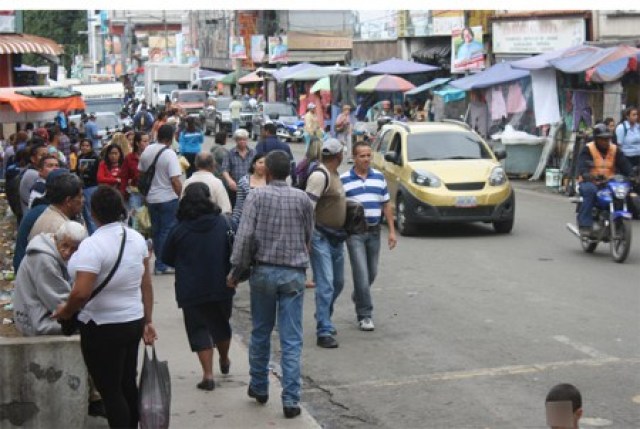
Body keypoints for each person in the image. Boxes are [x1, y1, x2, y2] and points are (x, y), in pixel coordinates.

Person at [53, 185, 157, 429]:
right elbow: (146, 283)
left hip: (102, 327)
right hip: (132, 321)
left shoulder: (93, 245)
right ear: (121, 209)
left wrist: (65, 312)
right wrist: (148, 320)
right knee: (127, 384)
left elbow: (80, 293)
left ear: (93, 213)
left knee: (111, 392)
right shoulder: (137, 238)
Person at [228, 150, 314, 419]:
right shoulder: (302, 199)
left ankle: (259, 386)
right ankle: (290, 400)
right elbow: (308, 236)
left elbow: (244, 238)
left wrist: (235, 271)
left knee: (261, 331)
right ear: (288, 172)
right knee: (291, 339)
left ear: (267, 172)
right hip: (293, 274)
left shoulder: (256, 196)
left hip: (263, 272)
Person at [163, 183, 234, 391]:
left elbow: (167, 257)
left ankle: (208, 375)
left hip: (191, 287)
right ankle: (224, 358)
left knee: (199, 329)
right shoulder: (223, 223)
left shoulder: (179, 229)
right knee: (221, 325)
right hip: (221, 284)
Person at [340, 142, 397, 331]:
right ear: (354, 158)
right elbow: (339, 208)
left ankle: (359, 294)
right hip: (355, 233)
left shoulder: (379, 178)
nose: (366, 159)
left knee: (372, 272)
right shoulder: (344, 179)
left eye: (368, 155)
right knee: (361, 273)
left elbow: (386, 205)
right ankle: (365, 315)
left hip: (374, 232)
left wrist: (391, 231)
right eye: (362, 156)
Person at [305, 138, 347, 349]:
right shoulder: (319, 176)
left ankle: (324, 316)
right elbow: (307, 209)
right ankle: (323, 329)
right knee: (326, 283)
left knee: (338, 282)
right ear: (338, 156)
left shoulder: (334, 174)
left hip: (336, 236)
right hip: (320, 236)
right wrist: (307, 239)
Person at [13, 221, 87, 336]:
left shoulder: (51, 250)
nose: (67, 252)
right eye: (65, 245)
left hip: (38, 314)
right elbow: (61, 303)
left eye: (74, 249)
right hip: (39, 321)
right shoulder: (44, 259)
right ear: (55, 238)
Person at [138, 124, 182, 275]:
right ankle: (161, 264)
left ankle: (159, 262)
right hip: (167, 198)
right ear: (171, 138)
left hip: (151, 198)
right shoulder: (170, 154)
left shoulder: (147, 151)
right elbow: (175, 180)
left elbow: (141, 173)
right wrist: (180, 195)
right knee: (166, 231)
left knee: (157, 231)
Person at [576, 123, 632, 237]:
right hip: (590, 181)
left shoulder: (615, 149)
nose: (606, 141)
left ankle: (618, 223)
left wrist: (632, 174)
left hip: (609, 182)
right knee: (590, 191)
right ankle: (585, 224)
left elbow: (624, 164)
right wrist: (586, 173)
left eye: (607, 139)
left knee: (622, 193)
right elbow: (582, 164)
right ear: (596, 139)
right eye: (603, 139)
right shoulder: (588, 148)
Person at [28, 172, 84, 241]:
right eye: (80, 196)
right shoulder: (61, 228)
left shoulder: (49, 213)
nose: (83, 200)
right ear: (68, 201)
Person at [120, 132, 149, 231]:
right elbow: (123, 177)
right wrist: (123, 193)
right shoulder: (129, 158)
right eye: (144, 141)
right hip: (135, 193)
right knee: (135, 220)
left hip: (150, 194)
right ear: (137, 143)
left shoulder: (151, 156)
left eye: (148, 141)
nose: (147, 143)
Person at [231, 153, 267, 229]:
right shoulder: (244, 181)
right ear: (254, 164)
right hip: (247, 223)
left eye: (266, 163)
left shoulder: (271, 182)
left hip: (265, 223)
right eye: (260, 162)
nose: (263, 165)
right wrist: (233, 223)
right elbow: (239, 205)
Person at [222, 129, 256, 207]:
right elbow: (224, 169)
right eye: (239, 139)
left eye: (244, 139)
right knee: (235, 209)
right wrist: (229, 181)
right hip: (235, 188)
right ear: (235, 140)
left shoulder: (253, 152)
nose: (242, 141)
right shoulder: (230, 153)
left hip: (251, 187)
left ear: (247, 140)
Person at [77, 138, 100, 234]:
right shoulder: (80, 157)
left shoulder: (94, 158)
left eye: (87, 146)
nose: (85, 148)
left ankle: (94, 233)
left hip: (91, 186)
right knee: (84, 213)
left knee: (90, 212)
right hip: (82, 186)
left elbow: (94, 173)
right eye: (83, 145)